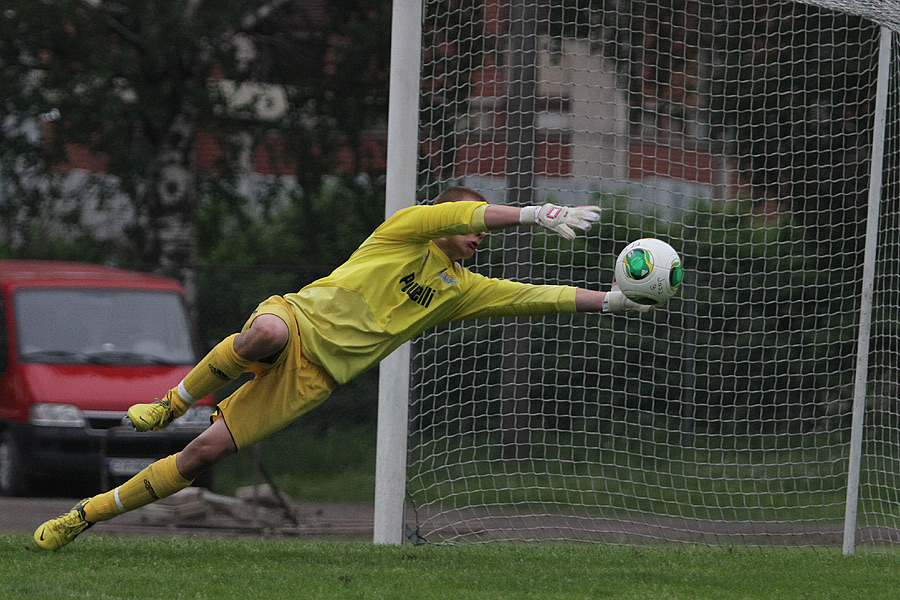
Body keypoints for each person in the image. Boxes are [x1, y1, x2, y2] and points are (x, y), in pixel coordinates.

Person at [33, 186, 650, 550]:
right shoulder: (404, 231)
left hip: (314, 380)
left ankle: (83, 516)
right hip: (298, 320)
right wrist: (533, 214)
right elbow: (461, 216)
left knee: (202, 458)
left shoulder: (460, 289)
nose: (478, 233)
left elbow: (530, 296)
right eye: (473, 221)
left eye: (483, 225)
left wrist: (612, 300)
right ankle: (174, 399)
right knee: (264, 332)